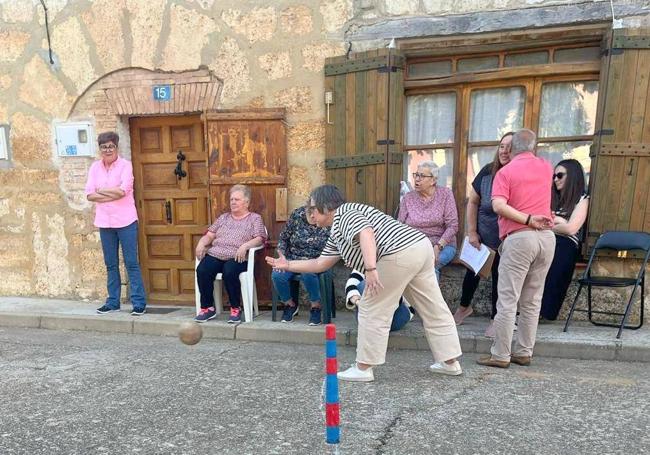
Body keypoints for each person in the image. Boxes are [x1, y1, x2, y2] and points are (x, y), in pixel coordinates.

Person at [266, 185, 463, 382]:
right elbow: (320, 263)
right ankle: (450, 362)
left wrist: (370, 269)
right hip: (420, 247)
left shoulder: (345, 213)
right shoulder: (336, 230)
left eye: (312, 209)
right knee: (433, 307)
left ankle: (363, 367)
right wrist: (288, 264)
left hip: (398, 252)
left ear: (327, 208)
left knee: (372, 307)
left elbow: (366, 232)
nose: (310, 215)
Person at [478, 129, 555, 369]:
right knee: (532, 299)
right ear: (533, 147)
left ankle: (500, 354)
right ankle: (524, 352)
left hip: (520, 237)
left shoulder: (506, 172)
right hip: (547, 239)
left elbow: (498, 205)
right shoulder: (546, 166)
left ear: (510, 149)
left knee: (508, 299)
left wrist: (527, 219)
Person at [454, 132, 513, 337]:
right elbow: (473, 202)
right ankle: (463, 308)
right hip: (483, 236)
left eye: (510, 147)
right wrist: (472, 232)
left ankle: (496, 319)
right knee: (471, 275)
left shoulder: (517, 174)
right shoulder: (488, 171)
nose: (505, 151)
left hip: (506, 240)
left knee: (500, 278)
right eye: (502, 146)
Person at [86, 132, 147, 316]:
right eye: (104, 147)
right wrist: (110, 192)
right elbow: (89, 194)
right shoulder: (95, 168)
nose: (107, 150)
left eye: (111, 146)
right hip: (105, 222)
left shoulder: (125, 166)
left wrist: (102, 191)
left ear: (116, 147)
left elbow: (123, 191)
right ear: (100, 149)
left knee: (131, 263)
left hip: (126, 221)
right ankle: (113, 302)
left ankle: (138, 302)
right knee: (110, 264)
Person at [194, 184, 267, 323]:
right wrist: (201, 243)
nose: (233, 202)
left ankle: (235, 308)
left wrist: (245, 246)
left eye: (237, 199)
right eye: (231, 199)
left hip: (237, 256)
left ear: (246, 202)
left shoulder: (254, 218)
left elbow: (260, 238)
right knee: (203, 269)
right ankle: (207, 308)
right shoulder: (223, 218)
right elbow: (210, 235)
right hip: (217, 253)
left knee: (229, 271)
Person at [539, 159, 589, 321]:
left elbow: (571, 229)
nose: (555, 179)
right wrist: (559, 221)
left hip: (565, 243)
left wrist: (553, 223)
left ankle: (544, 311)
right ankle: (526, 308)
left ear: (572, 176)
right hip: (545, 238)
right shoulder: (551, 198)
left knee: (559, 254)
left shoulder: (582, 199)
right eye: (553, 176)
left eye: (560, 175)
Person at [398, 161, 459, 280]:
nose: (417, 179)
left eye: (422, 176)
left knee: (429, 265)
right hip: (414, 245)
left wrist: (438, 246)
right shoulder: (408, 198)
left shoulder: (445, 194)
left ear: (433, 180)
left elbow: (453, 226)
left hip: (443, 244)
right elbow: (399, 225)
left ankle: (430, 299)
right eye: (416, 175)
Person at [272, 204, 330, 325]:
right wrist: (281, 254)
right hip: (292, 259)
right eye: (312, 213)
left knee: (307, 272)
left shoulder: (328, 219)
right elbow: (284, 238)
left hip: (316, 261)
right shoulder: (297, 215)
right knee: (277, 275)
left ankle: (316, 306)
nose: (314, 217)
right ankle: (290, 304)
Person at [345, 269, 414, 332]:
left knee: (378, 282)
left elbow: (399, 296)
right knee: (367, 283)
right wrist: (358, 302)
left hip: (398, 314)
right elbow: (351, 284)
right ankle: (370, 320)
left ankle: (374, 321)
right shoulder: (365, 259)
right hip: (368, 314)